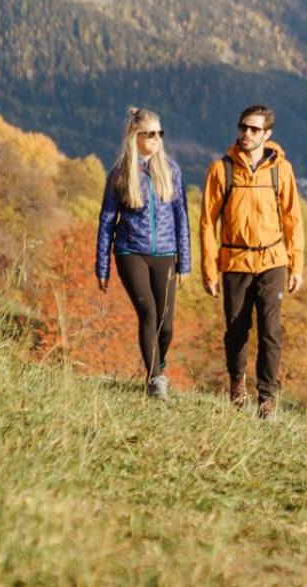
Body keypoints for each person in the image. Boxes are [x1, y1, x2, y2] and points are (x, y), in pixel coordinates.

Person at [200, 104, 304, 419]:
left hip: (273, 260)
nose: (246, 133)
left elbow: (293, 218)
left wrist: (296, 264)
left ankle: (267, 399)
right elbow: (207, 222)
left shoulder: (281, 170)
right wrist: (209, 269)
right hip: (234, 261)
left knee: (270, 330)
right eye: (243, 127)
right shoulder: (222, 169)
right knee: (236, 330)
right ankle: (236, 382)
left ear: (267, 134)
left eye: (254, 129)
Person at [96, 107, 191, 399]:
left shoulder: (171, 170)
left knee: (166, 322)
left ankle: (158, 361)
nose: (156, 139)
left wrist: (185, 262)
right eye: (150, 134)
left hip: (166, 253)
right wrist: (102, 267)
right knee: (148, 312)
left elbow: (181, 216)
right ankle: (155, 379)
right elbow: (106, 221)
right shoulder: (120, 174)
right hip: (129, 252)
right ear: (135, 137)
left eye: (159, 133)